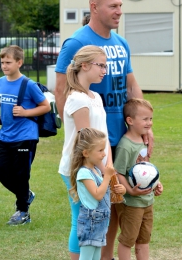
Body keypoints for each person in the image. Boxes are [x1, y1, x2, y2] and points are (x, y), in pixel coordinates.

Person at [55, 1, 154, 259]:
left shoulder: (95, 93)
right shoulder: (76, 45)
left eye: (121, 4)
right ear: (94, 6)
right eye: (113, 5)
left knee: (105, 212)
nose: (119, 10)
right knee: (84, 218)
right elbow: (82, 135)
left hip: (111, 150)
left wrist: (144, 128)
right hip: (89, 160)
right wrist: (96, 165)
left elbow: (132, 88)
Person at [57, 45, 125, 260]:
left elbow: (102, 137)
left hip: (99, 167)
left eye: (106, 66)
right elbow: (87, 144)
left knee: (95, 217)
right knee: (82, 218)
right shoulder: (78, 99)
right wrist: (104, 171)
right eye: (101, 65)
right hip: (80, 169)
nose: (105, 70)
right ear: (84, 66)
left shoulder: (95, 96)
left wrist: (110, 170)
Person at [0, 45, 51, 225]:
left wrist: (25, 113)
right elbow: (8, 106)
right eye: (2, 62)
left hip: (25, 136)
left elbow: (45, 106)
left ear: (19, 62)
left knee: (21, 174)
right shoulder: (1, 82)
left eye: (8, 62)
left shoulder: (29, 84)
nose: (4, 66)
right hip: (5, 136)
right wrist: (0, 119)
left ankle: (22, 212)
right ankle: (26, 194)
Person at [113, 98, 163, 260]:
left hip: (147, 202)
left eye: (151, 119)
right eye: (145, 119)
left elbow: (145, 168)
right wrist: (130, 191)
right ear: (130, 120)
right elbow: (118, 173)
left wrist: (156, 182)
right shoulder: (125, 146)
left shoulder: (143, 140)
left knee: (144, 241)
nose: (149, 123)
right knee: (127, 241)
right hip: (131, 204)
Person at [69, 128, 116, 260]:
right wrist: (107, 177)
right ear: (86, 153)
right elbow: (97, 195)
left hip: (100, 222)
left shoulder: (95, 169)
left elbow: (103, 191)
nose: (104, 154)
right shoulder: (84, 173)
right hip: (90, 223)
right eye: (100, 150)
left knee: (96, 257)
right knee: (86, 257)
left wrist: (118, 190)